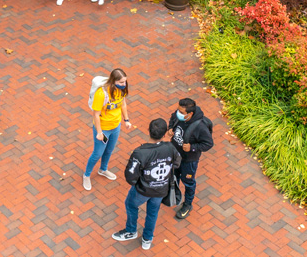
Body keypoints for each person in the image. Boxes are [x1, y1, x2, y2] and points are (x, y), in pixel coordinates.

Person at [113, 118, 181, 250]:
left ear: (148, 131)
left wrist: (137, 183)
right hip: (161, 189)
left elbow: (130, 176)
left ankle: (131, 231)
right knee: (153, 213)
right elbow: (177, 163)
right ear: (165, 133)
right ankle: (147, 239)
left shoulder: (140, 152)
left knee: (131, 205)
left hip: (142, 190)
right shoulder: (170, 148)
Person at [82, 68, 132, 191]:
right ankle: (86, 175)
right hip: (103, 129)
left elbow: (123, 104)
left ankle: (103, 169)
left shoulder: (121, 91)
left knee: (109, 150)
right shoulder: (101, 94)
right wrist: (99, 132)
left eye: (124, 82)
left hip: (116, 126)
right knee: (97, 153)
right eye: (121, 82)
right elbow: (96, 114)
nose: (123, 84)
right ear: (113, 81)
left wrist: (126, 120)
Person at [168, 98, 214, 220]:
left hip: (189, 160)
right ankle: (173, 194)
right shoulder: (179, 115)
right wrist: (170, 127)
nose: (178, 113)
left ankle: (187, 204)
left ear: (190, 114)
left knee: (188, 182)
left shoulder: (200, 127)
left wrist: (192, 147)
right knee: (174, 175)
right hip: (175, 155)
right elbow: (173, 118)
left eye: (181, 112)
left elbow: (208, 144)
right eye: (178, 110)